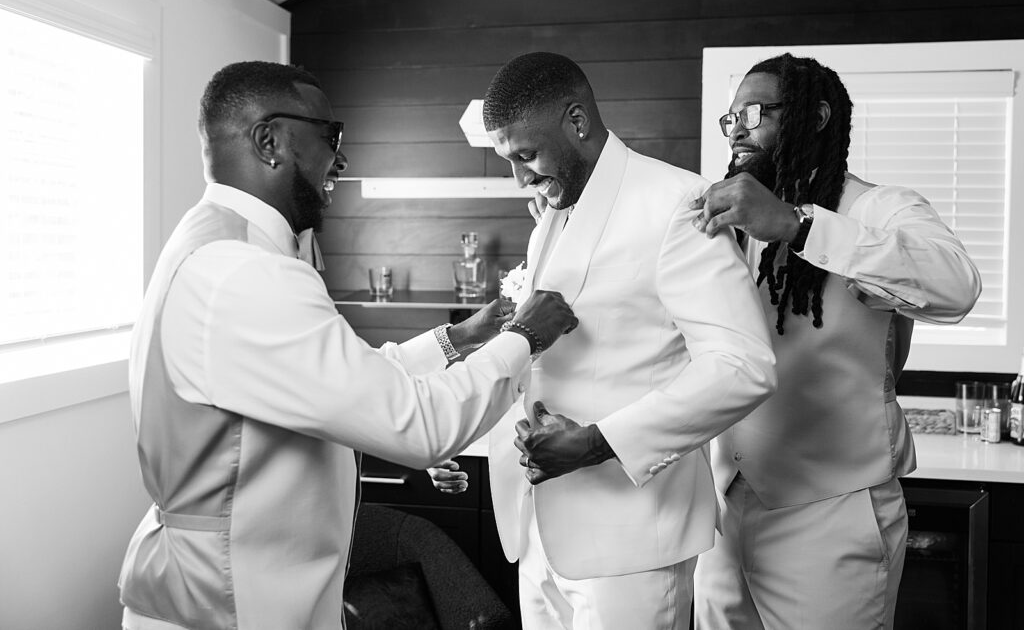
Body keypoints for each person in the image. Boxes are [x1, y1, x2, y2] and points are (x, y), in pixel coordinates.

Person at [117, 60, 578, 630]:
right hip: (229, 599)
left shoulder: (218, 243)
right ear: (271, 141)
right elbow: (415, 425)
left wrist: (459, 338)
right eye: (330, 137)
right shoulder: (244, 274)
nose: (341, 158)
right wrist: (524, 338)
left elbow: (343, 377)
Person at [432, 51, 777, 629]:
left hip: (632, 541)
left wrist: (600, 443)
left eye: (526, 155)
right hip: (538, 533)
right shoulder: (554, 212)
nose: (520, 177)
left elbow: (744, 366)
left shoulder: (677, 205)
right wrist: (458, 432)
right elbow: (544, 363)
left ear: (577, 123)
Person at [690, 53, 982, 629]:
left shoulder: (880, 209)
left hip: (833, 513)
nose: (740, 128)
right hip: (724, 508)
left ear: (815, 117)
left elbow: (957, 284)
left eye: (755, 112)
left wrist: (798, 227)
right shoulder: (726, 220)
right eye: (731, 118)